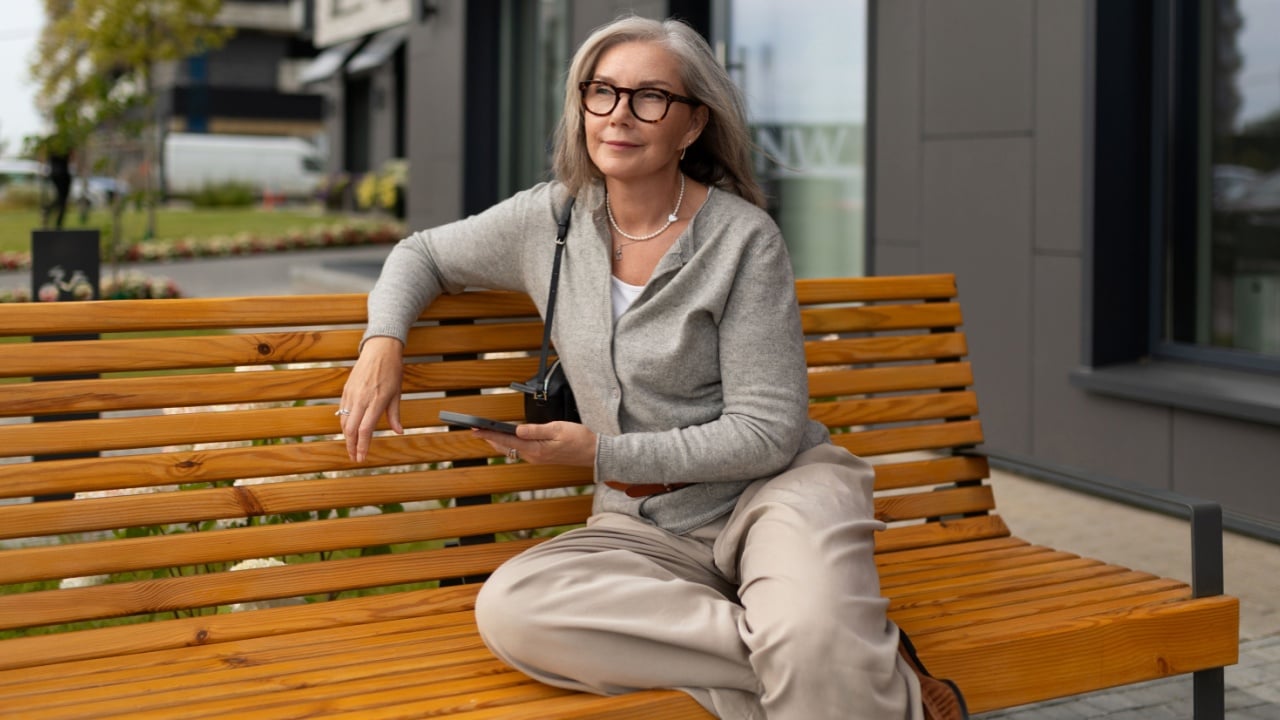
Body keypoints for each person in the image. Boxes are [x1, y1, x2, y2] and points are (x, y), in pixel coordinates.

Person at [339, 15, 964, 720]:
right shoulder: (551, 220)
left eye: (650, 98)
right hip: (642, 528)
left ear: (691, 125)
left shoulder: (743, 241)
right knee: (514, 609)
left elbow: (768, 433)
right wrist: (382, 342)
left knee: (805, 627)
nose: (619, 115)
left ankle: (821, 641)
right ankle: (850, 656)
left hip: (775, 496)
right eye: (601, 92)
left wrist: (603, 452)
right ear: (581, 105)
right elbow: (419, 254)